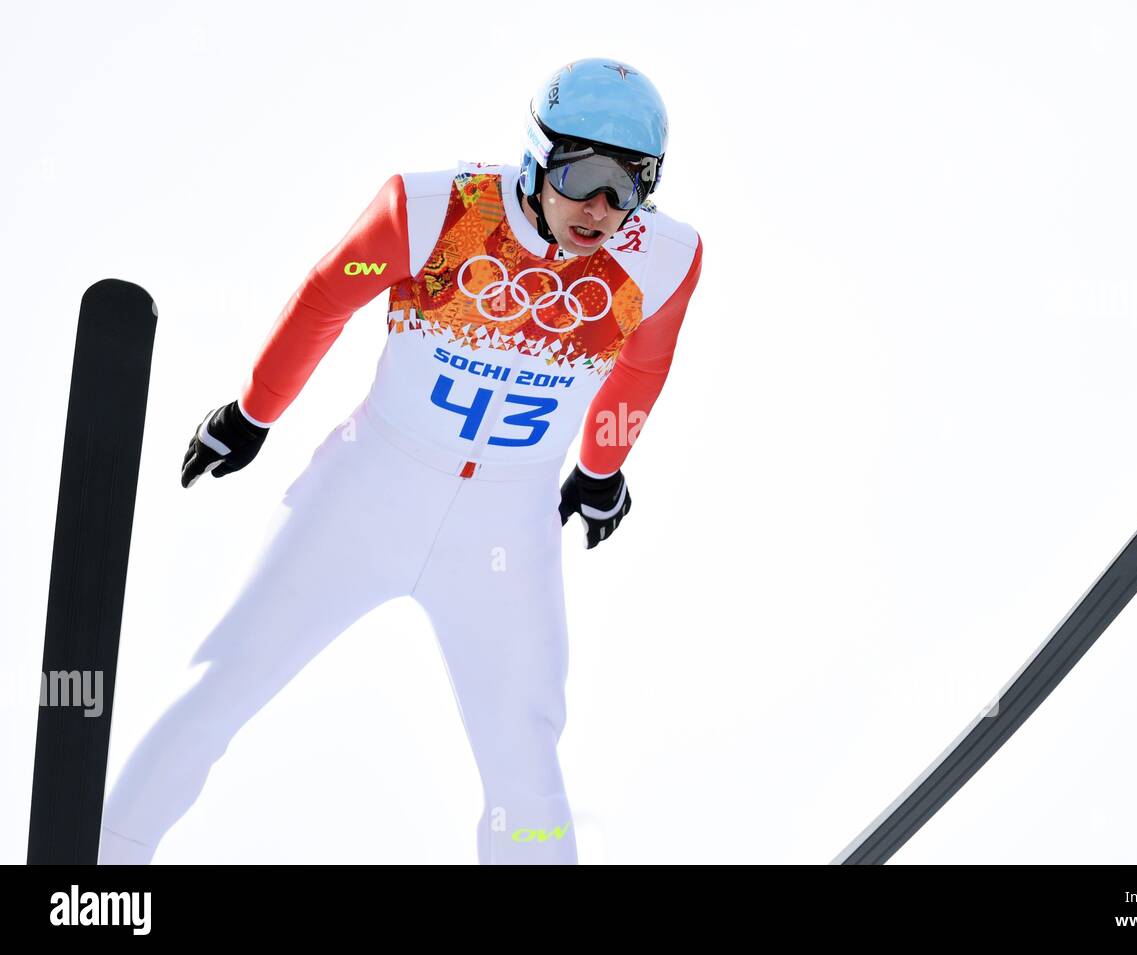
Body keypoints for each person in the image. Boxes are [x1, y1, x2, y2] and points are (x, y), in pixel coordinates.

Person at [97, 57, 704, 865]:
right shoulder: (430, 209)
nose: (601, 208)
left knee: (523, 758)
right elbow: (327, 296)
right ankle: (93, 869)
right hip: (368, 490)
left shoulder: (662, 258)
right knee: (226, 678)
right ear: (536, 156)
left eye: (629, 185)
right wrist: (254, 412)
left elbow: (641, 367)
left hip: (505, 530)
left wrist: (602, 464)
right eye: (583, 174)